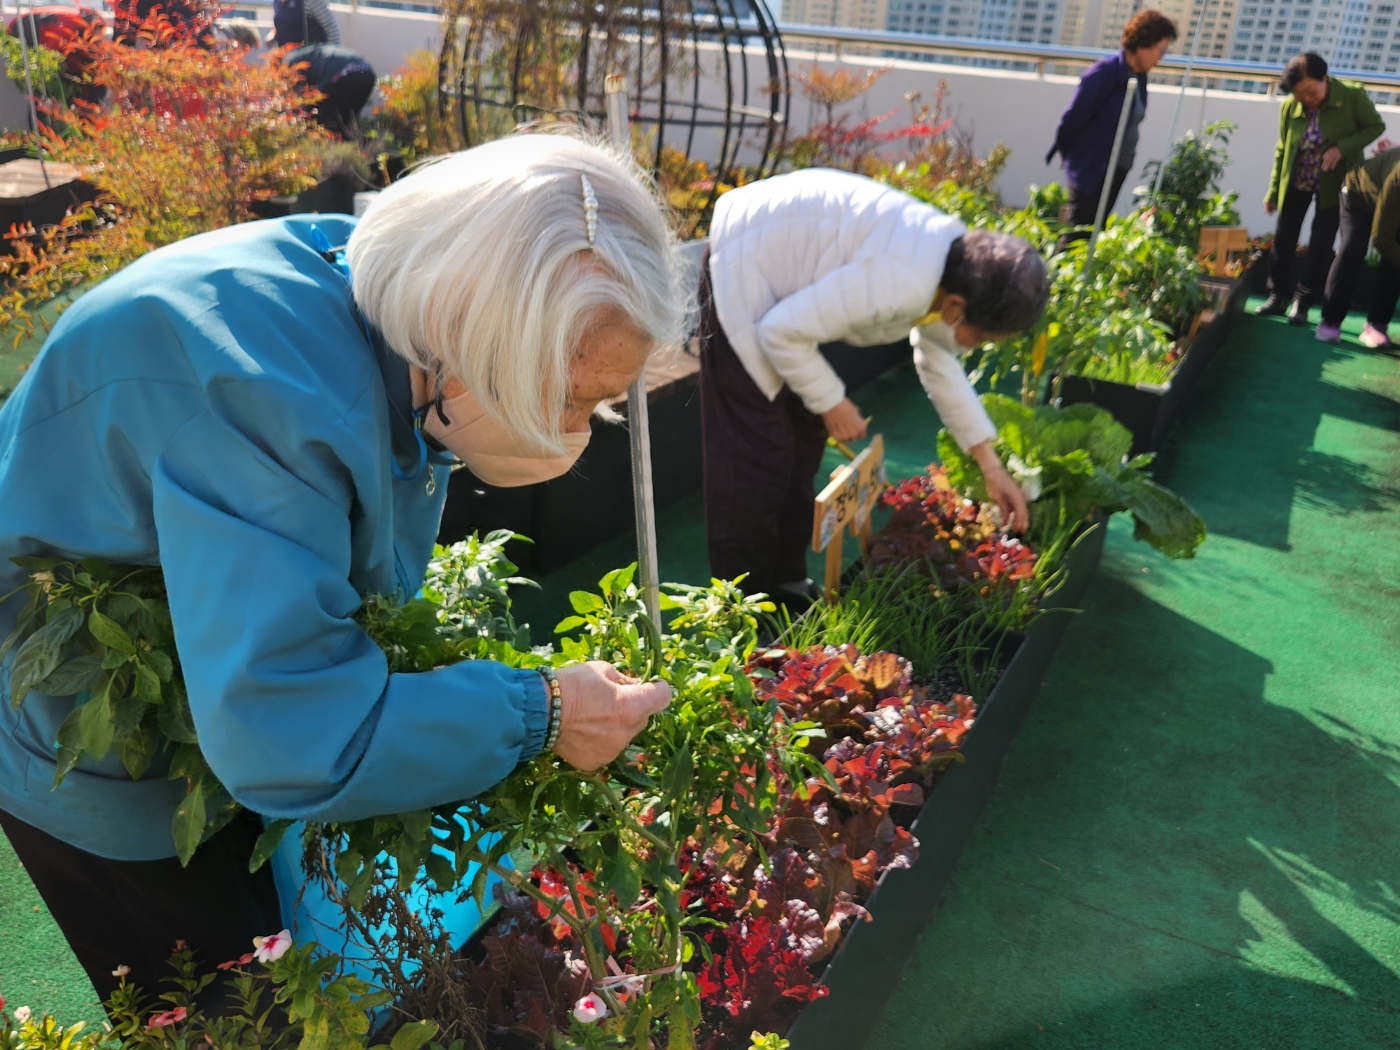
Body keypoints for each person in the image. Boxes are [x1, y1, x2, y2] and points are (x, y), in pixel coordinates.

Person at [0, 134, 680, 1003]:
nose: (578, 429)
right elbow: (293, 733)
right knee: (219, 995)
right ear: (474, 329)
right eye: (572, 396)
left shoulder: (398, 302)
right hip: (77, 721)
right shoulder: (267, 398)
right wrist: (544, 710)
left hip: (201, 683)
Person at [699, 167, 1050, 609]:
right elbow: (779, 332)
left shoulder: (959, 270)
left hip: (786, 286)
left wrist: (990, 465)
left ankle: (783, 581)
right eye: (979, 337)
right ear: (958, 307)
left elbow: (937, 356)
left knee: (803, 440)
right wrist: (832, 402)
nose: (971, 345)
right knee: (755, 454)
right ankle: (740, 607)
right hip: (743, 258)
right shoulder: (900, 279)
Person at [1257, 51, 1384, 324]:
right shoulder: (1290, 107)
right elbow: (1283, 149)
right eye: (1299, 94)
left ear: (1324, 78)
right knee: (1284, 238)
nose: (1306, 99)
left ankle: (1302, 301)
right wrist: (1272, 190)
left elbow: (1375, 126)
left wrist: (1343, 147)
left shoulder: (1352, 96)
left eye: (1310, 91)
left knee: (1320, 243)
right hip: (1297, 179)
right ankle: (1277, 295)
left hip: (1335, 183)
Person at [1046, 9, 1178, 243]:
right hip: (1092, 169)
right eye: (1160, 50)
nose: (1160, 58)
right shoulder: (1105, 74)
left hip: (1117, 167)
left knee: (1095, 231)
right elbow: (1072, 120)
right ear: (1143, 44)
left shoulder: (1139, 77)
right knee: (1078, 235)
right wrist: (1074, 160)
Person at [1316, 141, 1400, 347]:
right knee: (1353, 249)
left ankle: (1376, 326)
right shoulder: (1397, 179)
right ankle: (1330, 322)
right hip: (1357, 193)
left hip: (1388, 202)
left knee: (1394, 258)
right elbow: (1380, 237)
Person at [283, 42, 376, 137]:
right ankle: (352, 144)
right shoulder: (315, 51)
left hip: (341, 74)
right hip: (368, 73)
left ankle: (325, 142)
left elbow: (301, 98)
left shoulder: (292, 62)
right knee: (347, 120)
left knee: (319, 114)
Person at [272, 0, 340, 47]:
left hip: (311, 61)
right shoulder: (277, 2)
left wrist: (332, 60)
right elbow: (284, 23)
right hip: (286, 62)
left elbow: (331, 28)